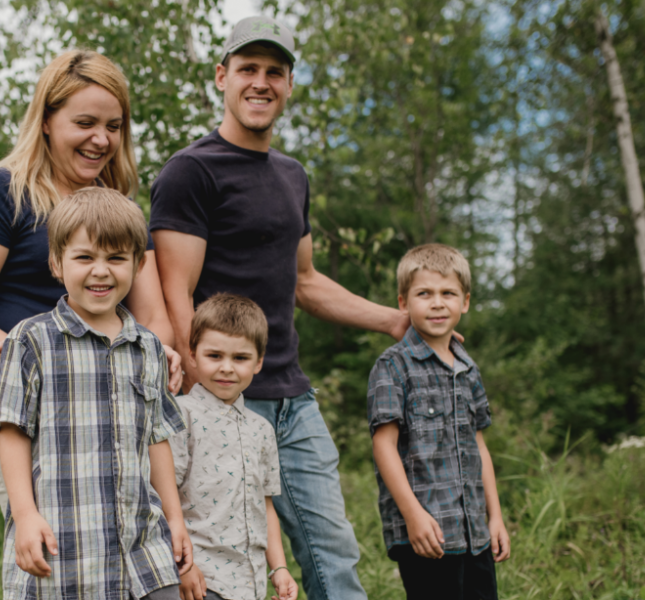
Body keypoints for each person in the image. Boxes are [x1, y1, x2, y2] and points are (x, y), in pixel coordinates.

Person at [150, 16, 408, 600]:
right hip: (221, 397)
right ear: (222, 77)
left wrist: (394, 320)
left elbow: (306, 282)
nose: (261, 82)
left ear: (290, 84)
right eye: (248, 69)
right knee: (224, 557)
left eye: (275, 71)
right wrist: (205, 403)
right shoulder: (190, 172)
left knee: (332, 549)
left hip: (294, 399)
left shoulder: (293, 176)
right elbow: (175, 298)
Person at [0, 50, 180, 514]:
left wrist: (152, 355)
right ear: (47, 120)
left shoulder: (118, 208)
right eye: (85, 122)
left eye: (114, 127)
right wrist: (24, 355)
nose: (101, 139)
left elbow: (153, 318)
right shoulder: (0, 194)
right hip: (21, 411)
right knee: (56, 552)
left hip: (110, 405)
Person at [0, 188, 191, 599]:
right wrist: (25, 515)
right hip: (66, 551)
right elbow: (13, 432)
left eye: (116, 258)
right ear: (56, 262)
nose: (100, 271)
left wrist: (175, 518)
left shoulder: (150, 348)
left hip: (142, 553)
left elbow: (157, 440)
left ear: (138, 265)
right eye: (84, 257)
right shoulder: (31, 340)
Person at [367, 244, 510, 600]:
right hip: (427, 531)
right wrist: (413, 515)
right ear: (403, 302)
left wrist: (495, 517)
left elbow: (478, 445)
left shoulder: (468, 368)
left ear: (465, 302)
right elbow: (383, 445)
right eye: (424, 293)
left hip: (474, 529)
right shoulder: (393, 365)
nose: (437, 302)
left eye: (448, 293)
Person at [170, 294, 298, 600]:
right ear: (192, 354)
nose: (227, 368)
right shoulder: (179, 415)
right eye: (214, 356)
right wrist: (183, 567)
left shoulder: (262, 429)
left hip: (250, 580)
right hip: (201, 578)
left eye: (240, 358)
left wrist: (278, 567)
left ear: (258, 362)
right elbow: (164, 496)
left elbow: (265, 503)